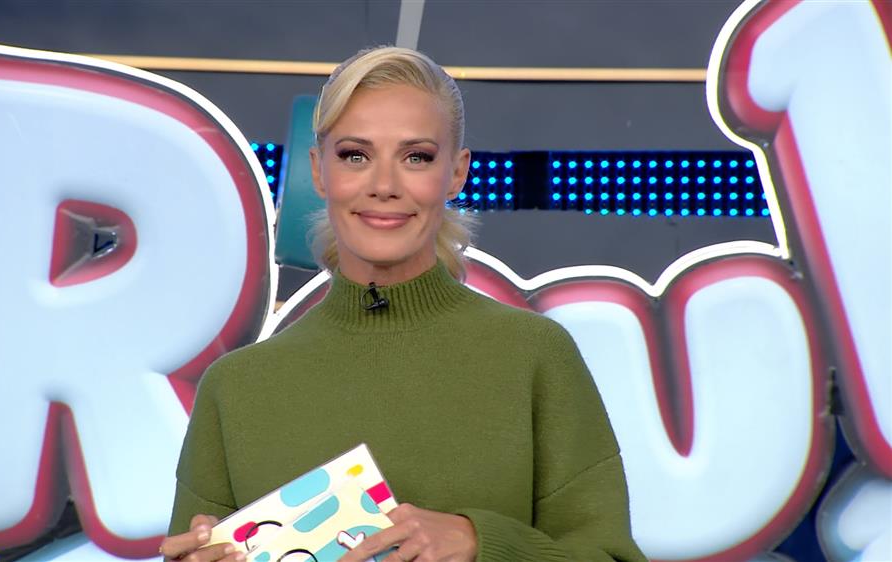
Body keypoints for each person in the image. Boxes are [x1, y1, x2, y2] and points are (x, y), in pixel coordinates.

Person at [161, 46, 648, 562]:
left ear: (456, 172)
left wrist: (480, 542)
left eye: (417, 157)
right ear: (319, 171)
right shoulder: (235, 388)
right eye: (355, 155)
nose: (384, 186)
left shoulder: (534, 355)